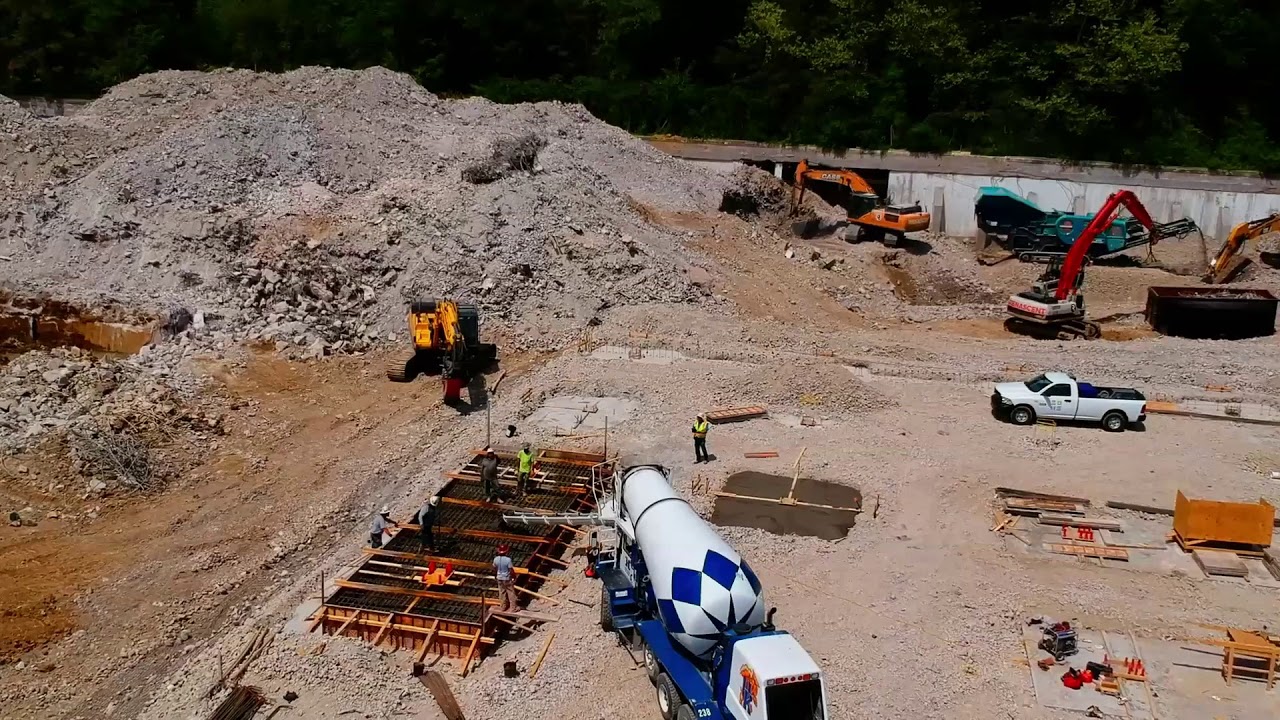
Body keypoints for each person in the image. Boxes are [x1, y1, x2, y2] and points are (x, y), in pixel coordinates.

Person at [493, 543, 518, 613]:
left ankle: (503, 607)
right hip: (507, 578)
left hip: (499, 578)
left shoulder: (495, 559)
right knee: (511, 593)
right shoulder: (508, 560)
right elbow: (511, 570)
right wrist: (514, 576)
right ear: (506, 551)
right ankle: (513, 608)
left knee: (502, 592)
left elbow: (495, 568)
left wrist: (495, 575)